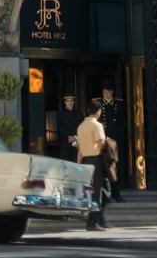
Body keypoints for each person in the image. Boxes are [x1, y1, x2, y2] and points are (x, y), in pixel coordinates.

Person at [77, 100, 108, 231]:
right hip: (96, 159)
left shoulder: (81, 126)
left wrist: (79, 162)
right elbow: (101, 142)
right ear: (98, 112)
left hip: (85, 160)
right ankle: (93, 221)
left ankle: (96, 219)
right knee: (98, 191)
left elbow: (79, 147)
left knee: (90, 191)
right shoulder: (97, 125)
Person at [97, 80, 126, 202]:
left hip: (115, 140)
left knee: (115, 168)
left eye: (108, 93)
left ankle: (116, 193)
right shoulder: (98, 104)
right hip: (103, 140)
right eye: (104, 93)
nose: (106, 95)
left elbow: (122, 123)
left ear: (112, 92)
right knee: (103, 168)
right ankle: (104, 195)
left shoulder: (118, 104)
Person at [57, 94, 79, 162]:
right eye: (67, 101)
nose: (70, 102)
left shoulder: (79, 114)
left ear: (74, 102)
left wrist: (76, 138)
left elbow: (81, 128)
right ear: (65, 102)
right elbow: (61, 129)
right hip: (66, 145)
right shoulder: (60, 115)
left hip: (78, 144)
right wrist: (71, 139)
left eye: (71, 100)